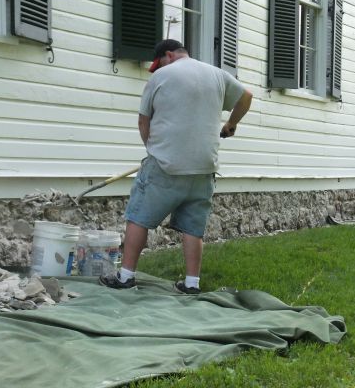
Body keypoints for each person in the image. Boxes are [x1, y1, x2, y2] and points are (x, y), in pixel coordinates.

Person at [100, 39, 252, 294]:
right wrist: (231, 125)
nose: (157, 67)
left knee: (138, 218)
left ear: (168, 55)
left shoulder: (160, 77)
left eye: (158, 62)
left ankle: (125, 277)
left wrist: (152, 151)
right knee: (193, 227)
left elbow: (142, 121)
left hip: (166, 165)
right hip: (204, 167)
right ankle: (192, 283)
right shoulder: (217, 74)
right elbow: (246, 96)